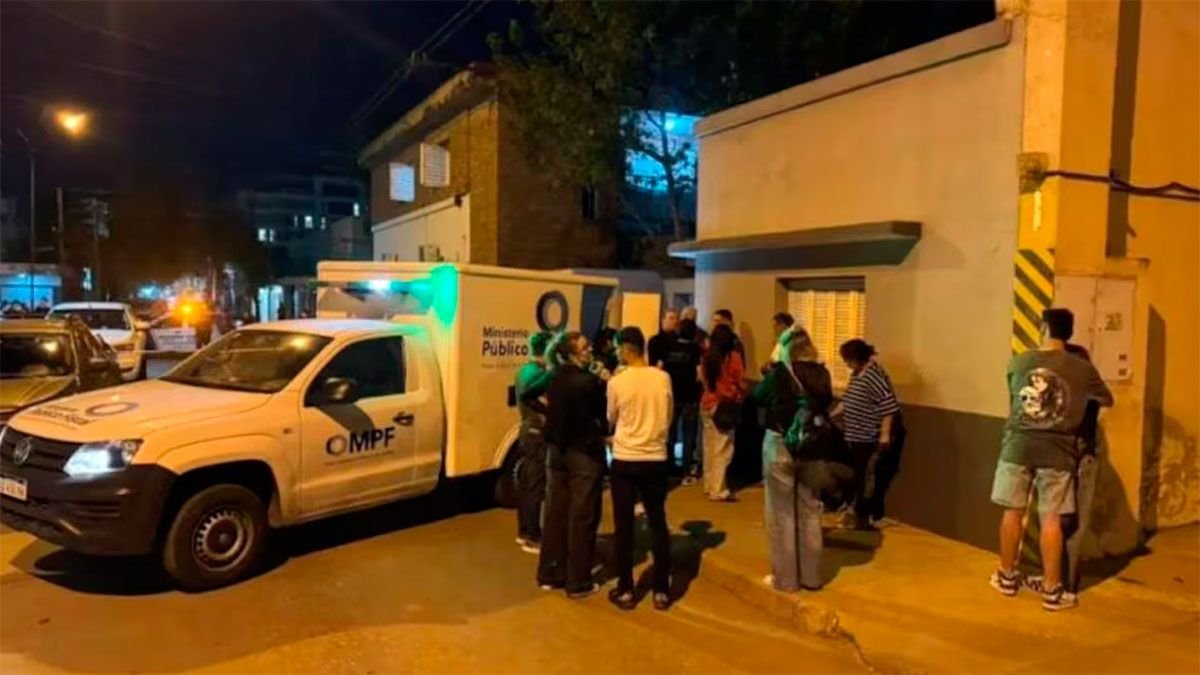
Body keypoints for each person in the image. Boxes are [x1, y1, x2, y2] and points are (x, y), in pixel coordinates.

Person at [990, 308, 1113, 611]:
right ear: (1070, 332)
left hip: (1017, 447)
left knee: (1012, 513)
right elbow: (1106, 399)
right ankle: (1051, 591)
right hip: (1059, 453)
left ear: (1043, 327)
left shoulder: (1019, 362)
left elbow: (1014, 398)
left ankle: (1006, 576)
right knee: (1052, 521)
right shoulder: (1082, 369)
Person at [753, 327, 833, 591]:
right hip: (811, 446)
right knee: (810, 510)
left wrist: (774, 364)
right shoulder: (822, 374)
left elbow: (757, 396)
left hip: (779, 443)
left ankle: (786, 579)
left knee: (781, 514)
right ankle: (811, 577)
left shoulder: (781, 373)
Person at [606, 326, 674, 611]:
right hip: (655, 457)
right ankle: (661, 590)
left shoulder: (617, 382)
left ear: (625, 349)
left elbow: (611, 417)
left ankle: (626, 589)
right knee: (658, 522)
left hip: (625, 458)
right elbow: (668, 415)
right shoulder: (662, 378)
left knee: (624, 526)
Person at [538, 331, 608, 598]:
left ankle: (550, 573)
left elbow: (537, 399)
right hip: (583, 453)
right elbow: (604, 416)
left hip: (556, 451)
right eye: (584, 348)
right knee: (582, 515)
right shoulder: (589, 382)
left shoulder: (554, 377)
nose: (589, 351)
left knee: (555, 512)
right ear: (571, 354)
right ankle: (578, 581)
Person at [837, 339, 905, 529]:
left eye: (848, 360)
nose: (846, 364)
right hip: (855, 435)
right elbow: (848, 400)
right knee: (857, 475)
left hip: (868, 437)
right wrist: (831, 415)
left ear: (857, 358)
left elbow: (888, 406)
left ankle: (864, 515)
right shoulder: (857, 374)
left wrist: (884, 434)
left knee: (866, 477)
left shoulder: (874, 375)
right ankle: (855, 512)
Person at [514, 331, 554, 553]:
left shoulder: (524, 370)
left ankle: (524, 531)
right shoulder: (539, 374)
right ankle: (533, 536)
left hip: (527, 430)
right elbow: (540, 402)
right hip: (537, 431)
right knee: (536, 485)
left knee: (527, 483)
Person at [700, 323, 745, 501]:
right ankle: (717, 489)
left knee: (709, 446)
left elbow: (703, 378)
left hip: (707, 403)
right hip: (725, 406)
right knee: (723, 448)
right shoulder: (733, 358)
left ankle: (709, 484)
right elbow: (740, 381)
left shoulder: (707, 357)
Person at [663, 319, 703, 483]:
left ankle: (669, 465)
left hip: (673, 395)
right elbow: (699, 374)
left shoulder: (669, 347)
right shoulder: (695, 349)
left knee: (670, 431)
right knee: (689, 434)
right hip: (690, 396)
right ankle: (686, 467)